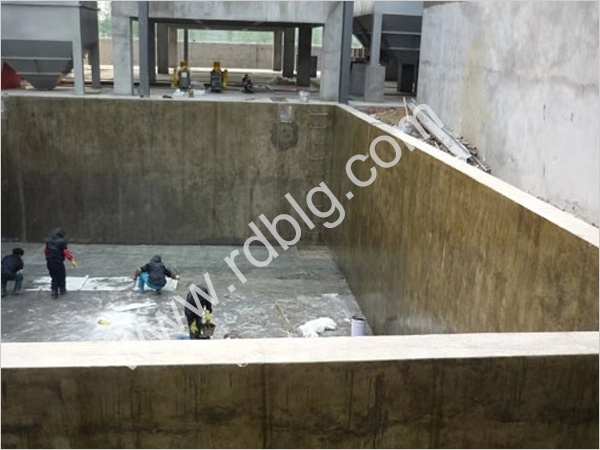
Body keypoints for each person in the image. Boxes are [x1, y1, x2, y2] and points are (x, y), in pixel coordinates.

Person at [45, 228, 77, 299]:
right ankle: (62, 289)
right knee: (61, 275)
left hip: (50, 261)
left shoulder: (49, 241)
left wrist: (48, 257)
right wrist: (72, 260)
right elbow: (66, 252)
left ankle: (54, 291)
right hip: (58, 261)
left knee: (54, 277)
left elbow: (46, 251)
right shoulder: (62, 242)